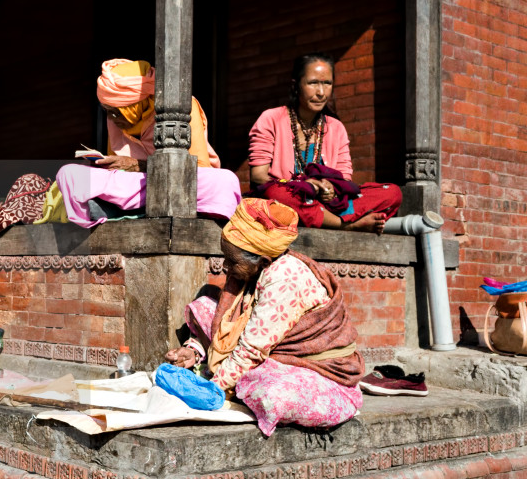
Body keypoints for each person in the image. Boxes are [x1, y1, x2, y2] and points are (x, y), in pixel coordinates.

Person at [164, 199, 364, 436]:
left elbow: (251, 350)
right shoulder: (251, 270)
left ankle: (232, 381)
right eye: (225, 257)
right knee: (205, 305)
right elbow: (229, 321)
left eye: (232, 261)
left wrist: (210, 387)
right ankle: (220, 369)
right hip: (265, 352)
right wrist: (195, 350)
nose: (225, 266)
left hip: (321, 372)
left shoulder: (285, 278)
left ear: (263, 261)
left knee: (268, 394)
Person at [54, 58, 242, 228]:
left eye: (117, 110)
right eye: (107, 110)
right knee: (69, 174)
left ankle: (118, 210)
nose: (112, 117)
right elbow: (120, 174)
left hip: (178, 183)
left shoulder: (184, 106)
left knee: (225, 180)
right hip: (137, 186)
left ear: (137, 102)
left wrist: (138, 166)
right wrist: (107, 166)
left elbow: (198, 167)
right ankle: (127, 209)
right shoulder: (114, 120)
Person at [247, 53, 402, 234]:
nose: (321, 92)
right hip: (289, 201)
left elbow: (345, 179)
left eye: (327, 83)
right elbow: (259, 176)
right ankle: (346, 225)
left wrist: (331, 189)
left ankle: (321, 219)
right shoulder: (271, 118)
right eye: (313, 83)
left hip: (328, 205)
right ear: (296, 85)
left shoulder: (336, 128)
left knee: (392, 193)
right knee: (276, 195)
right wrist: (306, 186)